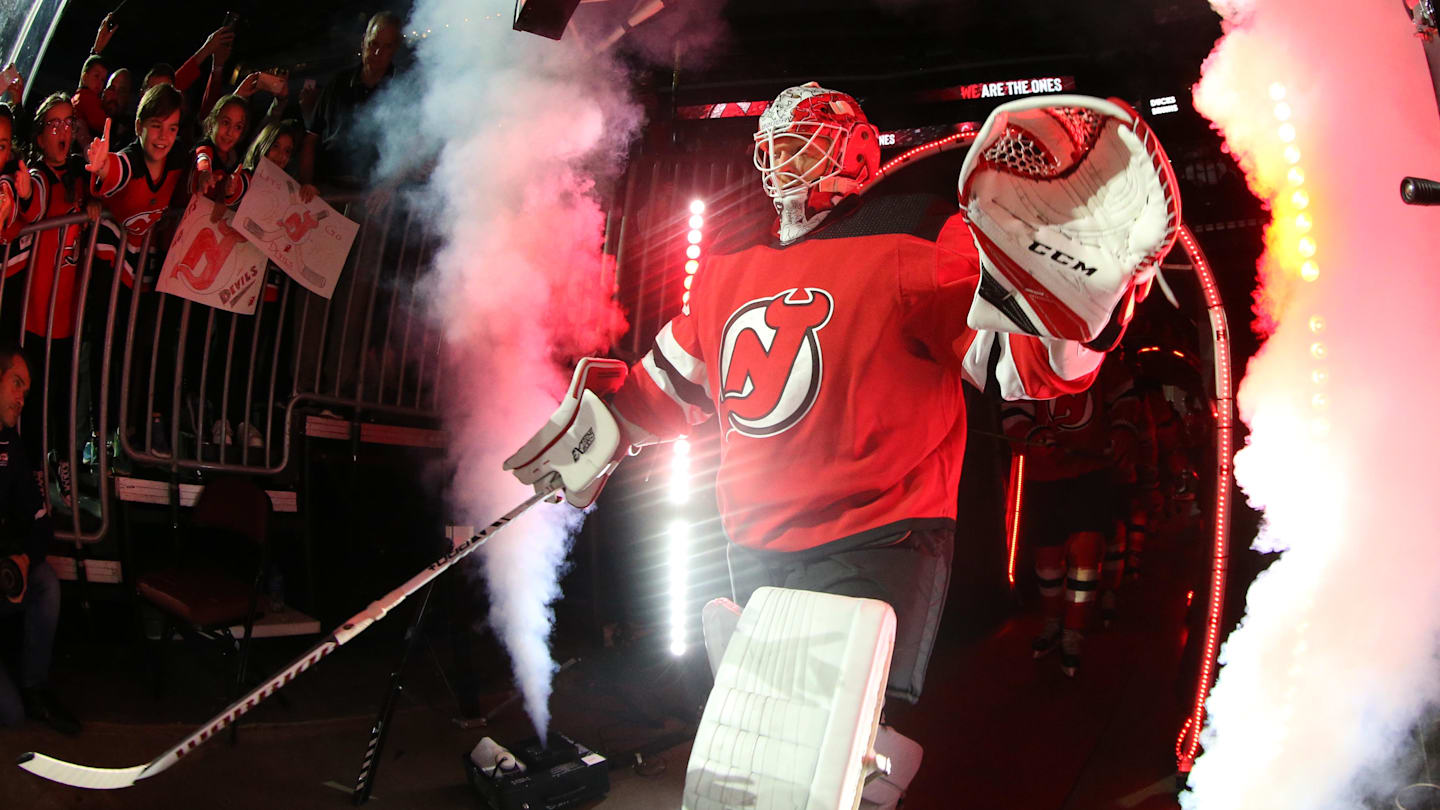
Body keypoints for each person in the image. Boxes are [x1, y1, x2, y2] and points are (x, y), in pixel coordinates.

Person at [505, 83, 1179, 802]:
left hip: (875, 536)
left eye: (803, 140)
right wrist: (592, 435)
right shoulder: (730, 267)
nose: (784, 161)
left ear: (856, 149)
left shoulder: (917, 234)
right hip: (756, 541)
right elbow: (669, 386)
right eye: (776, 146)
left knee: (823, 763)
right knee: (766, 749)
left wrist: (1087, 313)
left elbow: (1022, 368)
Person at [1004, 350, 1142, 676]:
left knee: (1086, 551)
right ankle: (1053, 621)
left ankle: (1073, 632)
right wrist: (1031, 434)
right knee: (1048, 559)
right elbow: (1013, 402)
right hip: (1045, 474)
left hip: (1090, 471)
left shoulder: (1098, 349)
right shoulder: (1028, 348)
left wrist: (1122, 429)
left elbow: (1124, 395)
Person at [0, 341, 79, 735]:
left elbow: (40, 519)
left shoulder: (9, 446)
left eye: (26, 392)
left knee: (45, 580)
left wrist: (25, 560)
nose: (21, 398)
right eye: (16, 384)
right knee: (8, 716)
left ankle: (34, 687)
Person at [307, 11, 401, 190]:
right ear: (363, 41)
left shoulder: (401, 89)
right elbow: (312, 137)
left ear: (395, 48)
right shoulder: (338, 83)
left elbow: (413, 149)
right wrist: (306, 182)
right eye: (373, 43)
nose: (377, 52)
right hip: (327, 186)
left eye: (386, 46)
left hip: (372, 194)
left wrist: (389, 186)